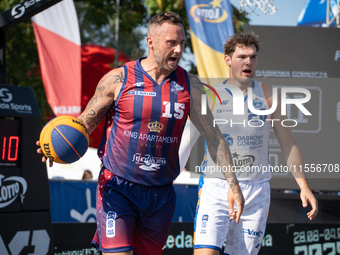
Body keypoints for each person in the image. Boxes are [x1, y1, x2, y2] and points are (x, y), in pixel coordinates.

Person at [37, 12, 244, 255]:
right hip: (117, 188)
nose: (178, 50)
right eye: (171, 43)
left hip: (161, 194)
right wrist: (57, 145)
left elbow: (214, 138)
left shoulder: (191, 85)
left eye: (182, 43)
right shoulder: (118, 79)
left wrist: (234, 185)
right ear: (151, 42)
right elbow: (84, 124)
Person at [189, 32, 318, 255]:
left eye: (253, 57)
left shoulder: (270, 95)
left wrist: (304, 186)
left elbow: (288, 144)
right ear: (227, 59)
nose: (248, 62)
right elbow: (187, 142)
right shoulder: (210, 95)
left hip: (255, 190)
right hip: (217, 187)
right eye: (241, 57)